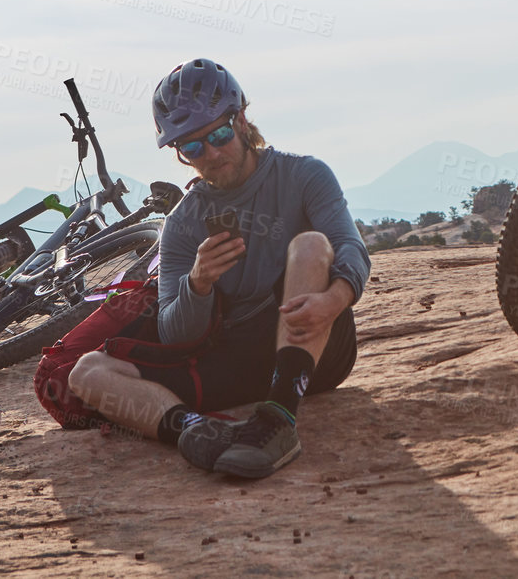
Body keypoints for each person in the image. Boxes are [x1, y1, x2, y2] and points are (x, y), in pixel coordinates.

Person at [68, 58, 369, 478]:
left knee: (311, 244)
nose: (210, 153)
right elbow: (176, 333)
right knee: (87, 373)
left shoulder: (304, 175)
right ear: (179, 154)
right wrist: (199, 283)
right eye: (192, 147)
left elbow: (350, 248)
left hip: (315, 349)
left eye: (219, 135)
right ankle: (199, 433)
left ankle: (279, 421)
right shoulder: (183, 224)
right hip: (237, 360)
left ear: (242, 120)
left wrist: (332, 301)